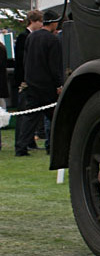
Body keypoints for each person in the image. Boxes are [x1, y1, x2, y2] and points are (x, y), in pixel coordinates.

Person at [15, 10, 62, 156]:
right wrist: (59, 84)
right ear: (53, 23)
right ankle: (53, 146)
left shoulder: (31, 37)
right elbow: (54, 65)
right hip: (47, 85)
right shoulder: (53, 40)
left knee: (30, 117)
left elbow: (25, 60)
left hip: (32, 82)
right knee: (54, 118)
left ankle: (21, 147)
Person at [12, 11, 43, 155]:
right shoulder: (24, 37)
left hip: (30, 81)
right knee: (24, 113)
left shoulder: (30, 37)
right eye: (40, 21)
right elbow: (21, 62)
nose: (42, 24)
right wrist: (23, 80)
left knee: (31, 113)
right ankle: (21, 142)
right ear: (33, 21)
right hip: (24, 81)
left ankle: (29, 141)